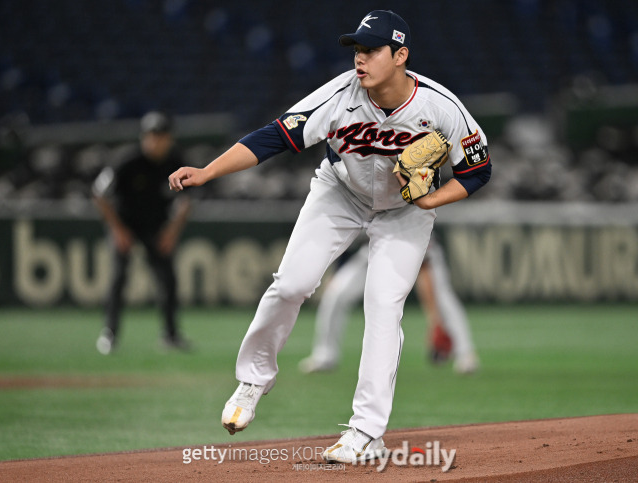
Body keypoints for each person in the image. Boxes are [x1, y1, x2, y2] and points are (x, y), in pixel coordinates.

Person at [168, 10, 491, 464]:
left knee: (383, 306)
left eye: (372, 50)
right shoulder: (340, 94)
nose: (360, 59)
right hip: (339, 192)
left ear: (401, 56)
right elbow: (273, 137)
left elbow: (478, 170)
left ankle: (365, 432)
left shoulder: (441, 107)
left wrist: (429, 203)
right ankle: (254, 379)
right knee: (292, 282)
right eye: (357, 50)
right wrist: (209, 171)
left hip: (403, 214)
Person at [298, 234, 480, 375]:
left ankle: (465, 354)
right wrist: (337, 271)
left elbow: (424, 273)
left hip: (416, 245)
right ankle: (325, 355)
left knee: (443, 298)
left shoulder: (411, 198)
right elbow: (346, 238)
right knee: (337, 293)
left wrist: (434, 321)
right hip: (376, 248)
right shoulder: (362, 192)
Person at [94, 111, 191, 355]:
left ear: (169, 139)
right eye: (151, 136)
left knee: (168, 279)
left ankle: (170, 335)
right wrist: (117, 230)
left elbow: (187, 201)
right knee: (119, 277)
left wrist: (171, 232)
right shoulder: (127, 160)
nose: (155, 141)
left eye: (160, 136)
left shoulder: (175, 160)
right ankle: (110, 333)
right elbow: (99, 192)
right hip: (125, 223)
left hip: (156, 226)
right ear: (143, 137)